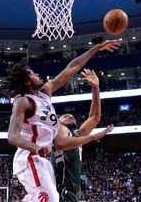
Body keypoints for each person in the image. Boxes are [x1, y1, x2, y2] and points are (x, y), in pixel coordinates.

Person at [2, 40, 120, 202]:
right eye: (33, 74)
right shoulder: (23, 101)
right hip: (30, 158)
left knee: (43, 197)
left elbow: (72, 68)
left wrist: (96, 48)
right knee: (50, 198)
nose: (37, 75)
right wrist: (35, 147)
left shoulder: (45, 93)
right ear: (27, 82)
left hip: (43, 161)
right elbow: (12, 136)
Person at [52, 68, 114, 202]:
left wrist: (96, 88)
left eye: (72, 115)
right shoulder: (61, 129)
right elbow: (60, 143)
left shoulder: (76, 134)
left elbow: (95, 117)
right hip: (61, 191)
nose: (70, 116)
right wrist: (92, 137)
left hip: (69, 192)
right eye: (65, 116)